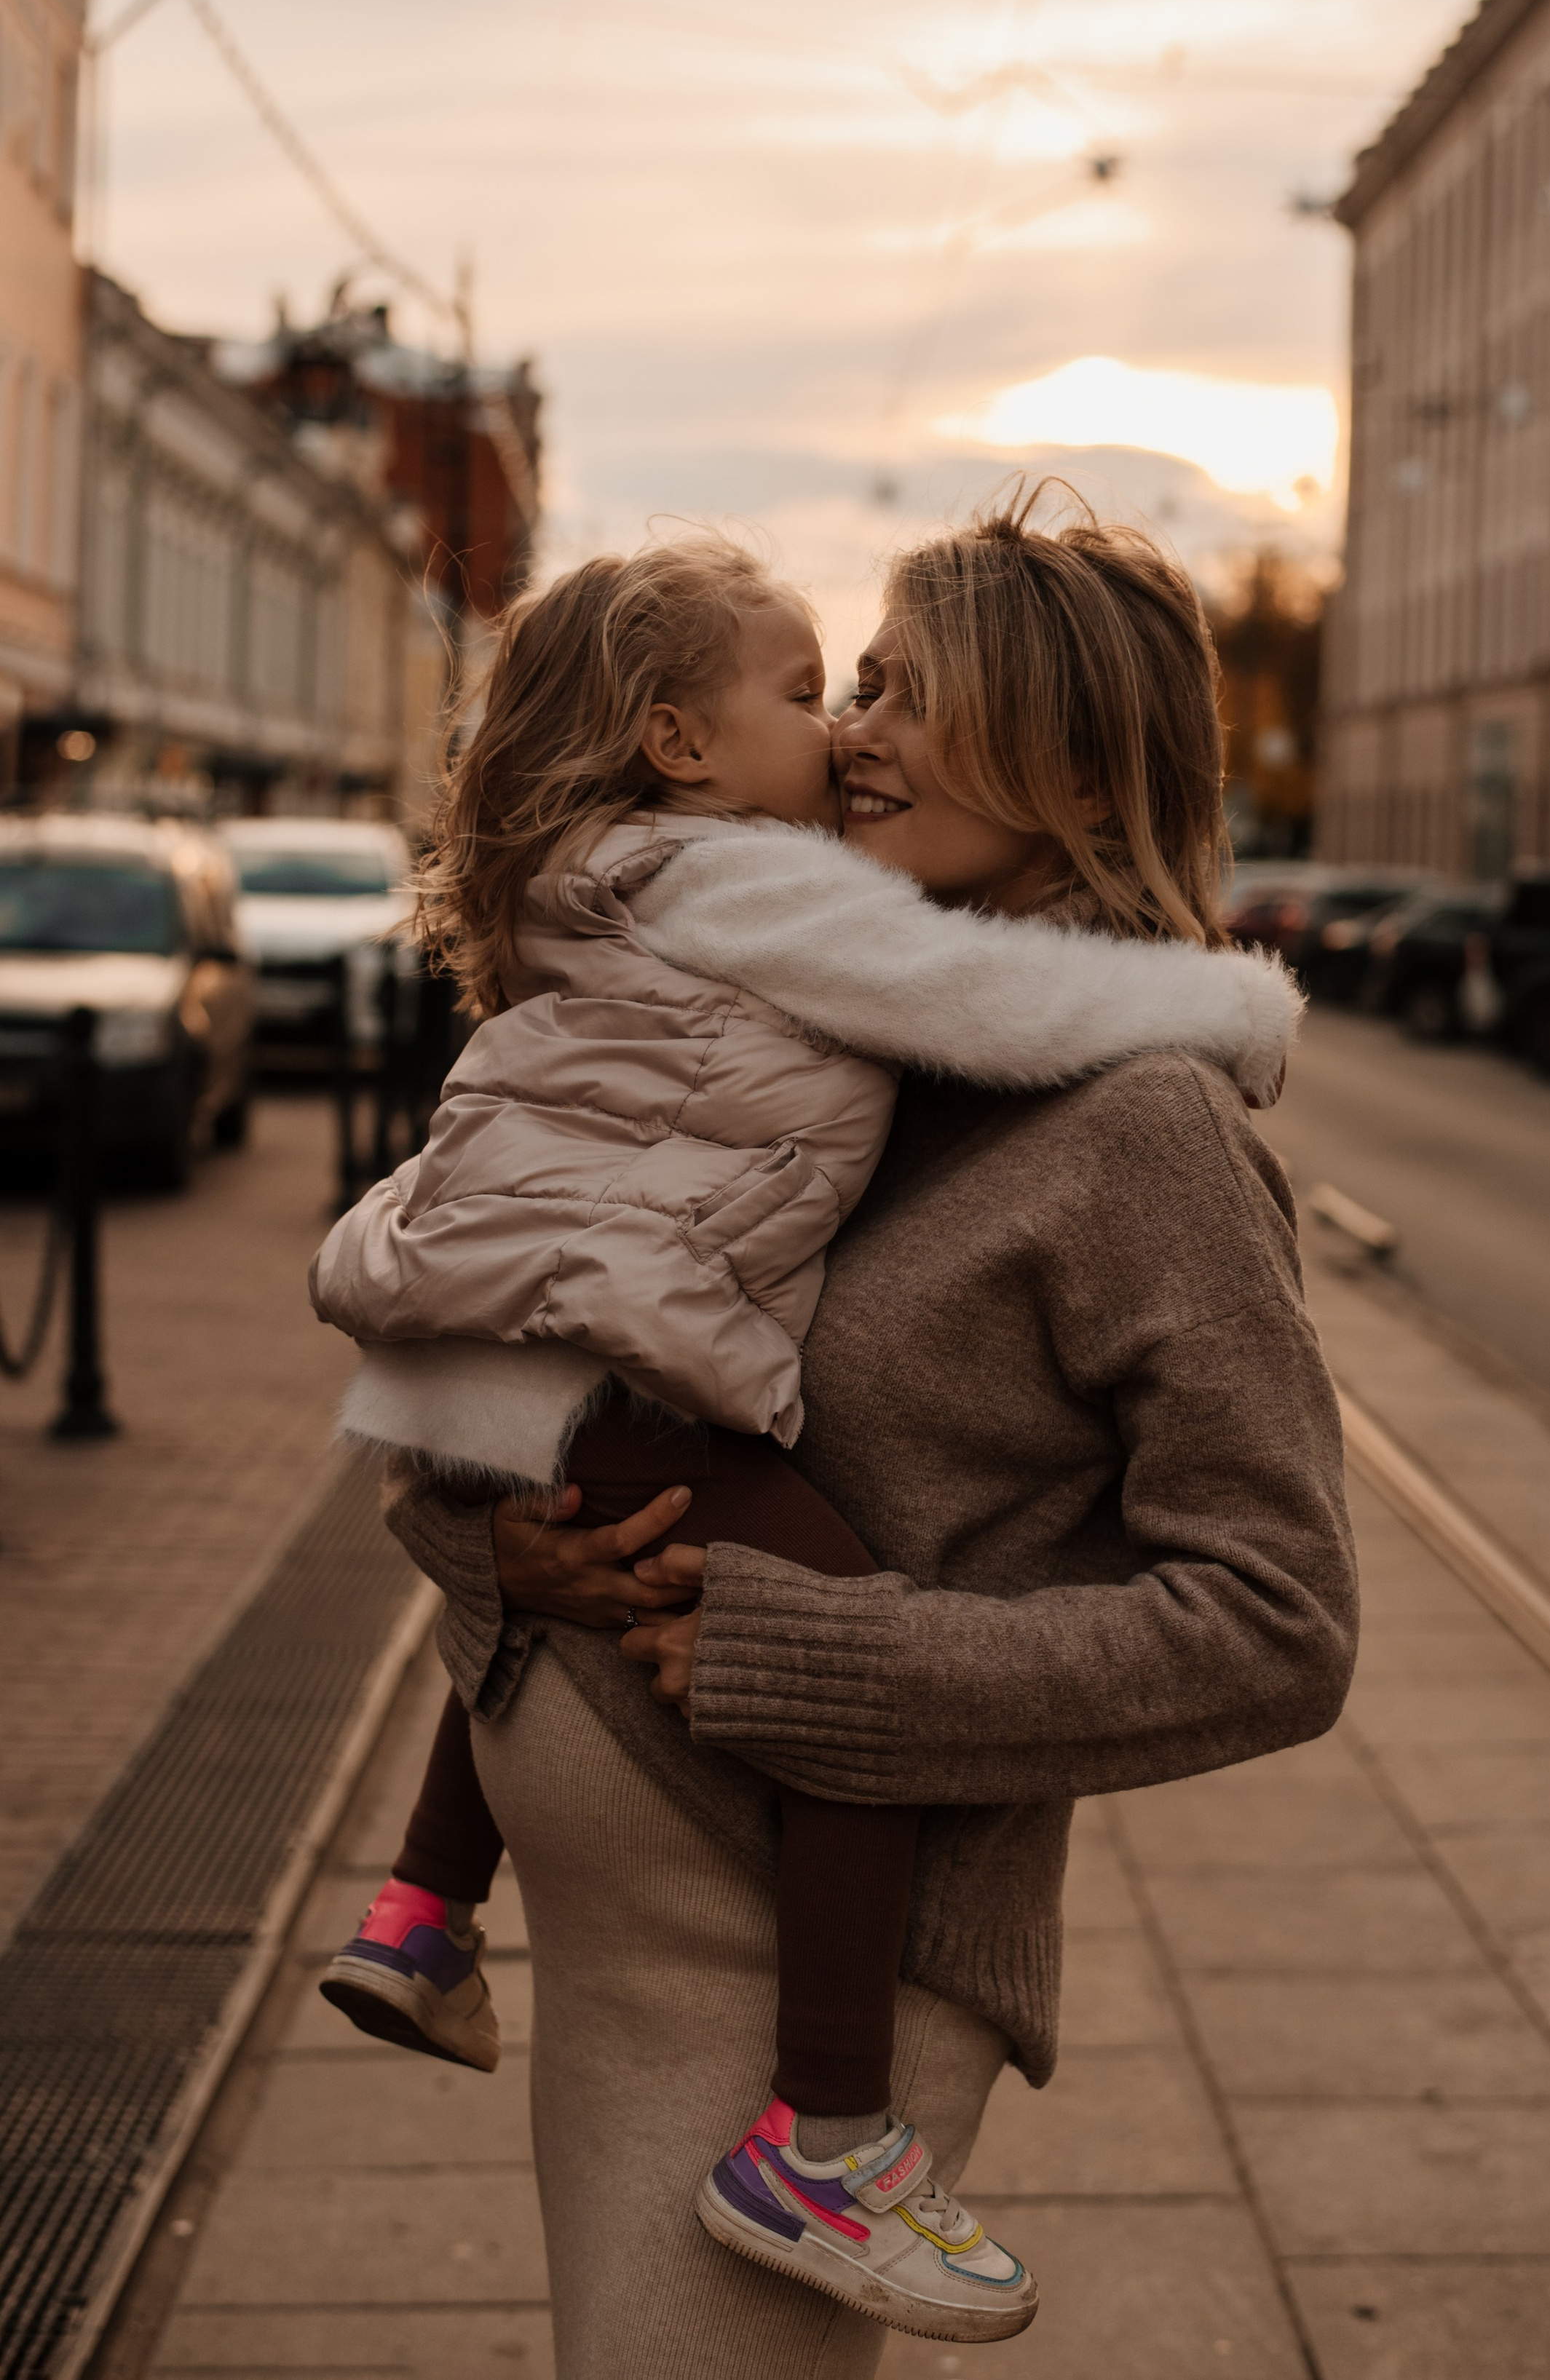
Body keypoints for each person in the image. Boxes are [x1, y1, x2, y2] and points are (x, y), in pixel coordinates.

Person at [380, 483, 1358, 2379]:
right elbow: (508, 1321)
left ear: (1072, 757)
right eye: (860, 682)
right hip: (622, 1940)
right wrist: (482, 1541)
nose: (856, 731)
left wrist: (824, 1653)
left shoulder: (1145, 1128)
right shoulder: (808, 1024)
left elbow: (1277, 1617)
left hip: (800, 2012)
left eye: (915, 690)